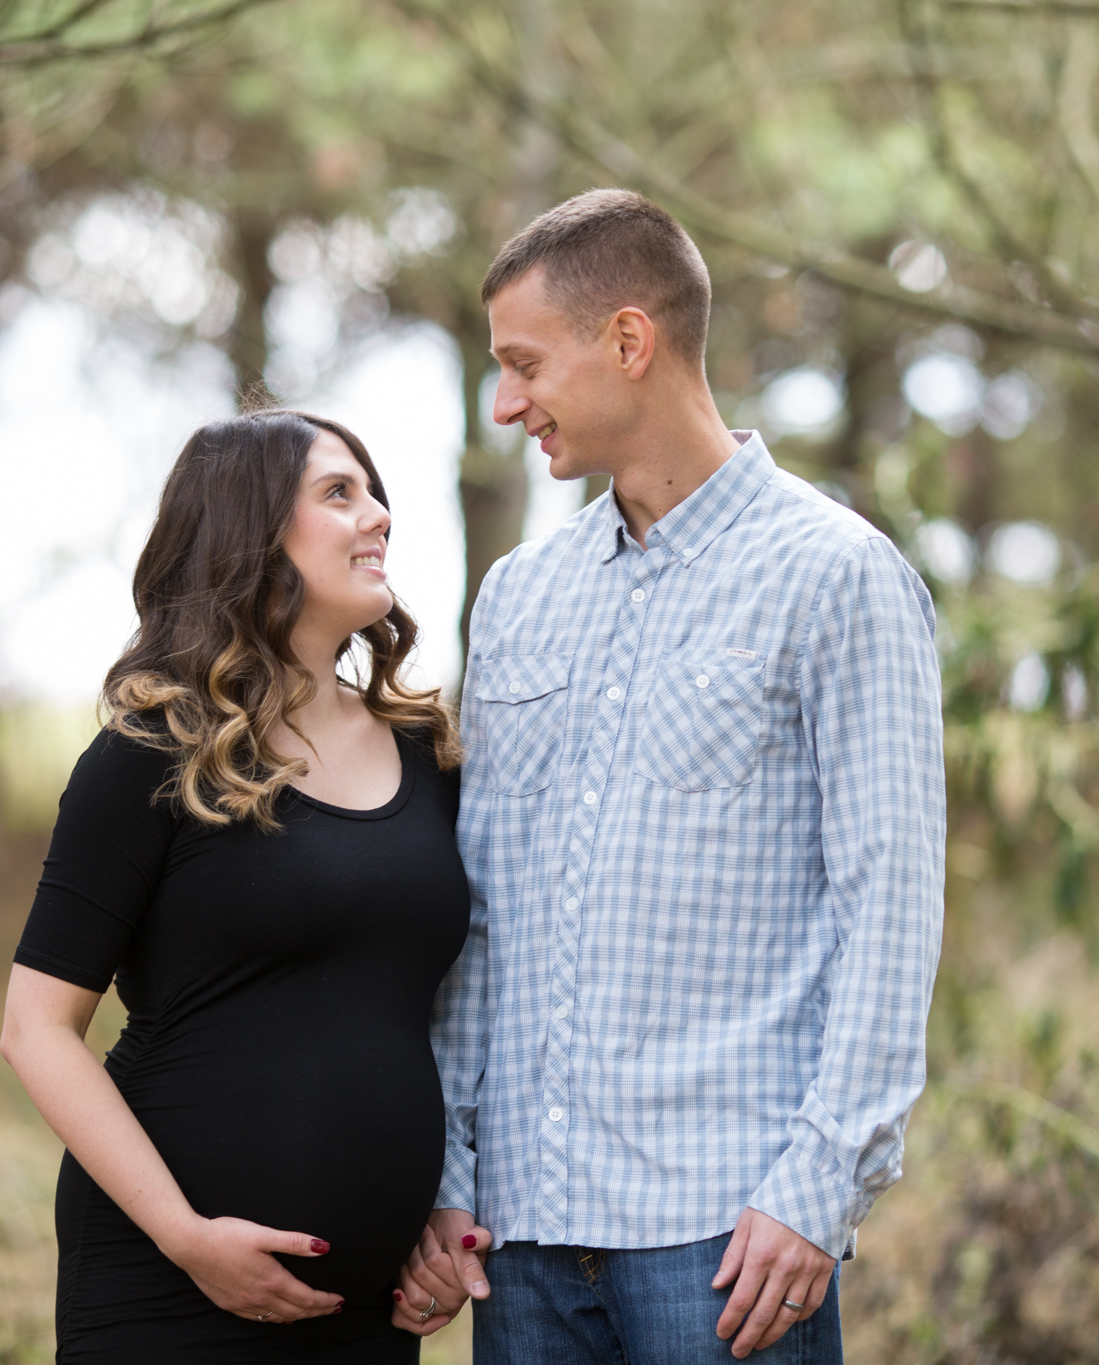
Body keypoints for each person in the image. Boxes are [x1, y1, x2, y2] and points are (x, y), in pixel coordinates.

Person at [393, 190, 946, 1362]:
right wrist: (449, 1169)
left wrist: (816, 1187)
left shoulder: (836, 577)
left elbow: (886, 906)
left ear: (629, 342)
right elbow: (478, 913)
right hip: (524, 1246)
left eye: (524, 364)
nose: (505, 403)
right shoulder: (518, 597)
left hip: (726, 1245)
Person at [1, 410, 469, 1363]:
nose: (378, 514)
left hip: (366, 1308)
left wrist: (443, 1204)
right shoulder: (150, 755)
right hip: (166, 1286)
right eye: (339, 493)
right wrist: (185, 1236)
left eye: (375, 490)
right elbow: (36, 1029)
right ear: (248, 530)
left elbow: (446, 1012)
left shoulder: (432, 755)